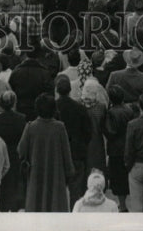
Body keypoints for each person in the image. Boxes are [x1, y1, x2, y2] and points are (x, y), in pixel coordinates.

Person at [17, 92, 75, 213]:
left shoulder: (30, 127)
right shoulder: (60, 127)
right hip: (56, 174)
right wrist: (69, 172)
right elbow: (66, 152)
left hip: (35, 174)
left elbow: (21, 151)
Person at [54, 75, 92, 205]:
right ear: (70, 90)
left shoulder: (53, 108)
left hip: (58, 152)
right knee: (75, 187)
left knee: (59, 187)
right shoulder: (80, 108)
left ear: (57, 90)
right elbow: (88, 131)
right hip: (77, 150)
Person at [0, 90, 27, 212]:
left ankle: (2, 207)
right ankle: (14, 207)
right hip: (16, 154)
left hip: (0, 155)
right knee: (14, 183)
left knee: (3, 183)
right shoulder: (21, 118)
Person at [103, 85, 135, 212]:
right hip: (128, 146)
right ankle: (124, 204)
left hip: (116, 149)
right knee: (125, 176)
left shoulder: (111, 113)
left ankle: (122, 205)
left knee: (118, 178)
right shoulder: (129, 110)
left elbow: (110, 132)